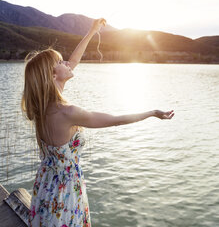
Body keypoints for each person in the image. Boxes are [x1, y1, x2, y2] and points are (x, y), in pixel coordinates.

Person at [21, 18, 174, 227]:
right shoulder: (68, 112)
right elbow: (115, 120)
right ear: (53, 74)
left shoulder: (40, 107)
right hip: (65, 193)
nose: (67, 62)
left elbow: (74, 61)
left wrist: (92, 31)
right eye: (60, 61)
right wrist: (151, 113)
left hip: (47, 187)